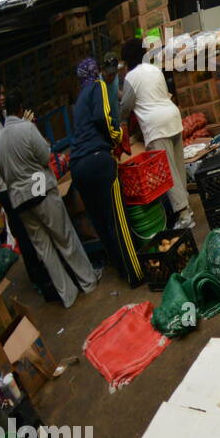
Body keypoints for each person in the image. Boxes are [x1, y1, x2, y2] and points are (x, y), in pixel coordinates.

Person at [0, 90, 98, 308]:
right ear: (21, 108)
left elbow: (4, 175)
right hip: (40, 190)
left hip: (20, 201)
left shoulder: (1, 138)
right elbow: (44, 156)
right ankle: (88, 282)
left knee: (45, 250)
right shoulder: (26, 128)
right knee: (65, 238)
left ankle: (67, 295)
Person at [70, 57, 145, 287]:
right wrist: (115, 137)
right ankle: (136, 274)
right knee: (118, 219)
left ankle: (121, 270)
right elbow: (102, 117)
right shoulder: (98, 85)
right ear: (96, 72)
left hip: (78, 167)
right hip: (98, 161)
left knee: (101, 223)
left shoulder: (79, 100)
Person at [0, 82, 56, 300]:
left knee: (29, 227)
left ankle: (44, 273)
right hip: (5, 185)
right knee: (25, 230)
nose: (1, 98)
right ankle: (41, 279)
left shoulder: (1, 118)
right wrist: (24, 126)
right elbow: (5, 147)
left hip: (13, 182)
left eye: (3, 93)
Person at [118, 39, 192, 229]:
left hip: (156, 126)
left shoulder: (131, 77)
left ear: (127, 60)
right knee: (178, 167)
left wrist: (118, 100)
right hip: (173, 117)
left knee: (168, 172)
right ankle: (187, 209)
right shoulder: (154, 69)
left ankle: (184, 217)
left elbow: (126, 108)